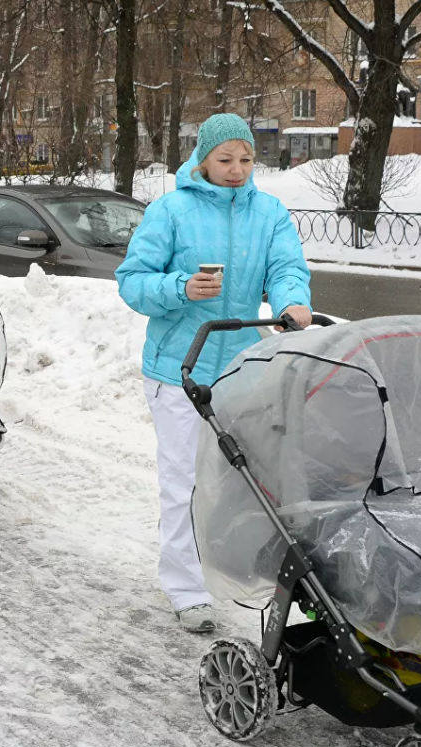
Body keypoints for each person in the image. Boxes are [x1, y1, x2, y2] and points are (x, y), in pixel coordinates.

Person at [116, 113, 312, 634]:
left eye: (246, 159)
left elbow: (287, 267)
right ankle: (186, 588)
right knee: (185, 482)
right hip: (178, 369)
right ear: (202, 159)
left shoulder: (268, 213)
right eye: (225, 159)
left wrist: (293, 303)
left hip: (243, 369)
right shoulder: (171, 212)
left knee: (247, 480)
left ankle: (243, 572)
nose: (237, 169)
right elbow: (132, 282)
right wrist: (181, 288)